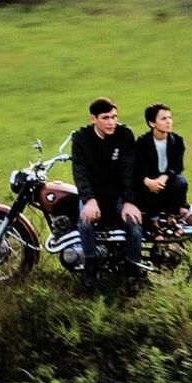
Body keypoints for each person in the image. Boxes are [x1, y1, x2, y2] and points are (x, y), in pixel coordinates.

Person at [70, 97, 148, 288]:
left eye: (114, 117)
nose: (111, 122)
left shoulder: (124, 135)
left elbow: (129, 169)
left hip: (119, 194)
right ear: (93, 119)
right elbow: (80, 172)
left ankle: (133, 271)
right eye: (106, 118)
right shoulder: (81, 138)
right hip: (94, 195)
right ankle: (91, 266)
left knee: (134, 224)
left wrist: (129, 201)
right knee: (85, 222)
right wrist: (89, 199)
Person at [134, 102, 190, 236]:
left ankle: (172, 217)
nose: (169, 122)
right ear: (152, 123)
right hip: (149, 181)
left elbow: (177, 166)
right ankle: (153, 222)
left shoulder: (177, 140)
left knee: (181, 182)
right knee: (145, 189)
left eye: (170, 118)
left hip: (167, 179)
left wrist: (164, 177)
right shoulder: (143, 142)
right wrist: (148, 180)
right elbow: (138, 166)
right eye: (164, 119)